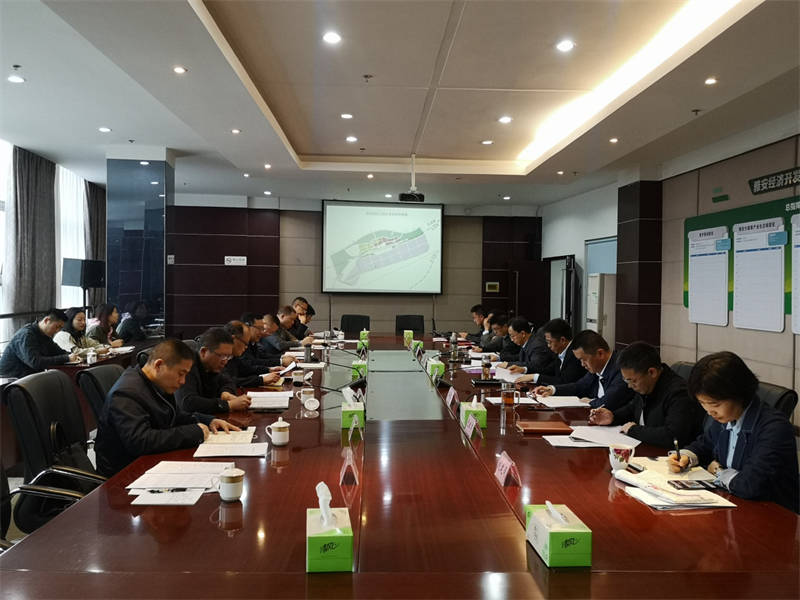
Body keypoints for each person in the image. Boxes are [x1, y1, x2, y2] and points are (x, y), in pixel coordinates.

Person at [668, 352, 799, 513]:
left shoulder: (774, 428)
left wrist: (718, 471)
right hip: (732, 505)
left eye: (714, 404)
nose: (709, 411)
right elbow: (704, 444)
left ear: (739, 394)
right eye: (702, 403)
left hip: (770, 516)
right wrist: (685, 457)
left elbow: (750, 485)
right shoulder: (726, 417)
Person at [95, 339, 239, 476]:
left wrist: (208, 420)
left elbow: (174, 415)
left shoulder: (155, 383)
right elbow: (140, 441)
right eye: (180, 374)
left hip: (150, 462)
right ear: (159, 365)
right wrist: (194, 432)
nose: (183, 381)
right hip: (123, 474)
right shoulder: (127, 393)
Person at [588, 342, 704, 448]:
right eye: (626, 380)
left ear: (652, 372)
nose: (630, 386)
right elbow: (633, 408)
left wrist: (633, 430)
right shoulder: (647, 385)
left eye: (632, 381)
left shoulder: (678, 393)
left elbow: (673, 436)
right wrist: (613, 417)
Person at [533, 329, 633, 411]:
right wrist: (552, 389)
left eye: (584, 359)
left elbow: (608, 402)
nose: (582, 364)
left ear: (600, 354)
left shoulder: (622, 367)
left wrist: (590, 402)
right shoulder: (596, 367)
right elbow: (580, 386)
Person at [175, 327, 251, 413]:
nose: (225, 361)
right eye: (222, 356)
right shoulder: (187, 365)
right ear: (203, 352)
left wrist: (225, 393)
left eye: (228, 356)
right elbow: (188, 402)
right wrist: (228, 405)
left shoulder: (215, 365)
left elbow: (229, 381)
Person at [0, 309, 79, 377]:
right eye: (57, 327)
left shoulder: (45, 336)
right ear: (47, 320)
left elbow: (59, 352)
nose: (57, 331)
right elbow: (35, 362)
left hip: (29, 377)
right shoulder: (27, 335)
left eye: (60, 328)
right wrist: (67, 358)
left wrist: (73, 356)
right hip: (11, 380)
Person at [515, 318, 586, 386]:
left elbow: (564, 382)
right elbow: (548, 370)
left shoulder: (575, 355)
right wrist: (524, 369)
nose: (548, 346)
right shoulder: (560, 352)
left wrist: (535, 377)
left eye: (549, 342)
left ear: (562, 340)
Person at [223, 321, 282, 388]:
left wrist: (268, 369)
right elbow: (229, 381)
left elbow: (246, 369)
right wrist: (261, 380)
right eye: (245, 343)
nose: (246, 347)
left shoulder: (233, 356)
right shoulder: (220, 358)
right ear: (233, 339)